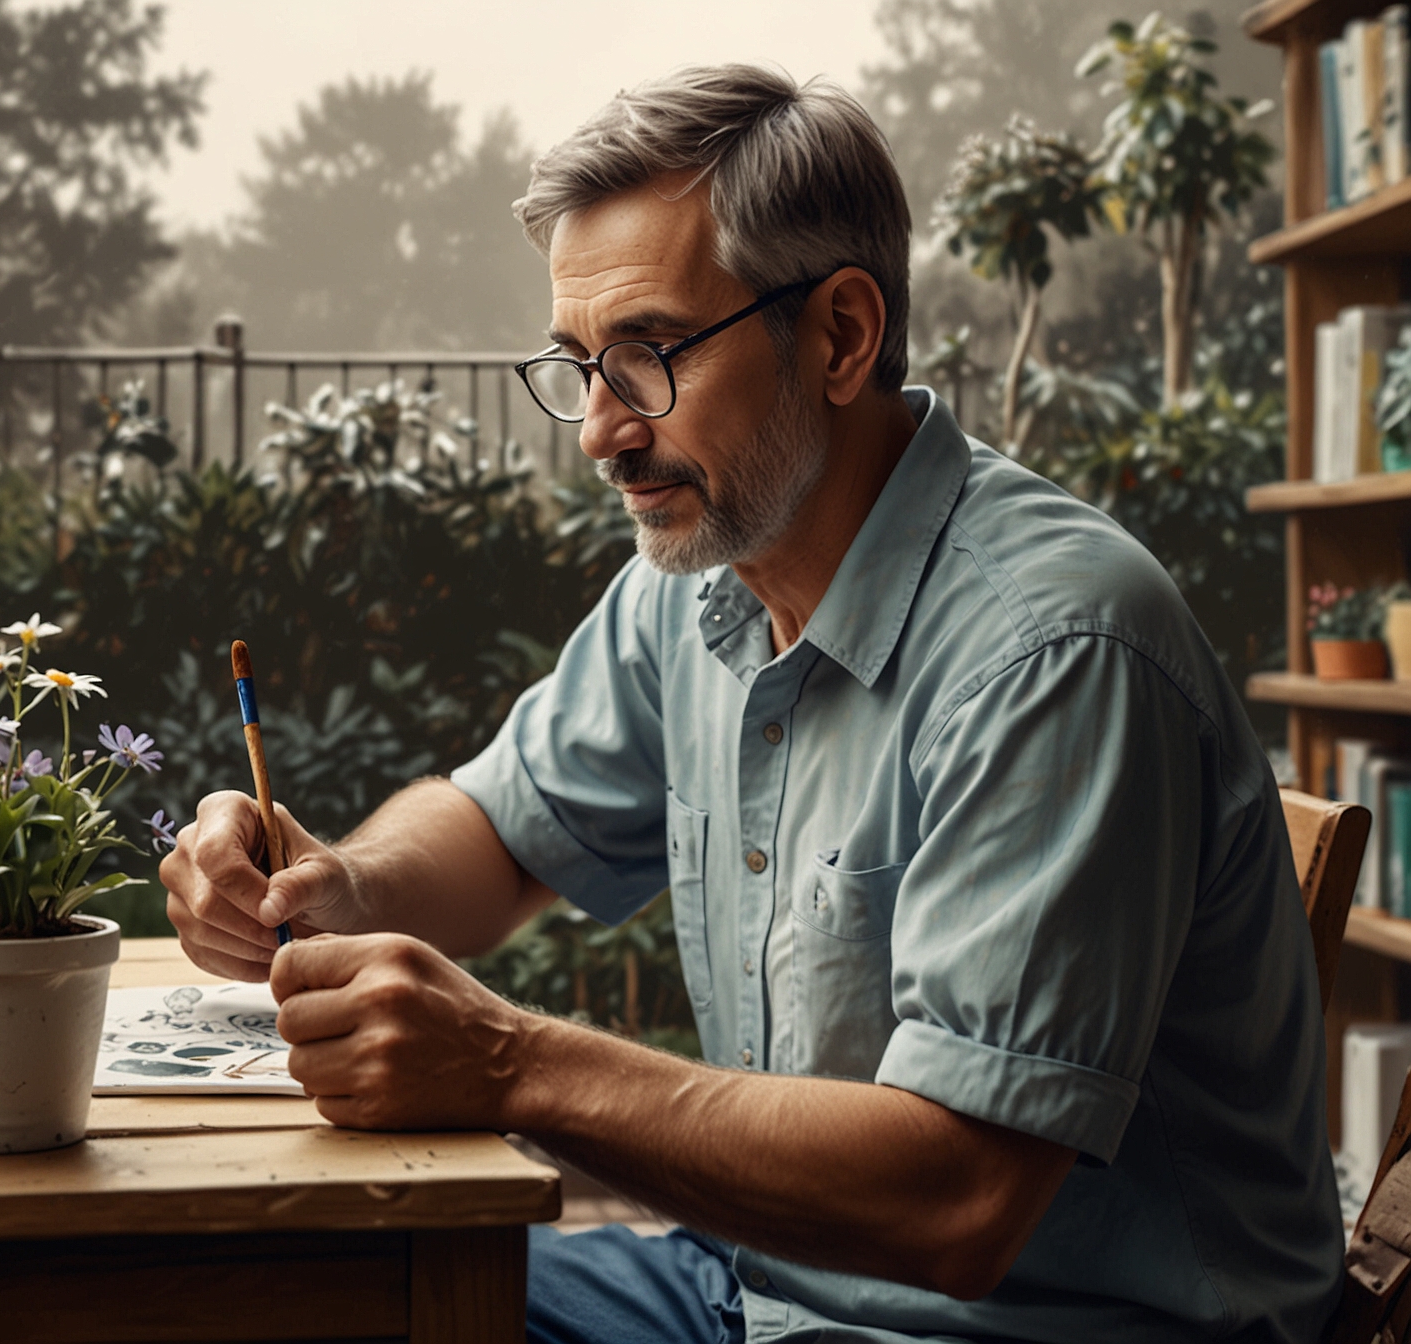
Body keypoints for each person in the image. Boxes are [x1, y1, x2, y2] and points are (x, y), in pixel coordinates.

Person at [160, 65, 1342, 1344]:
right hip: (762, 1289)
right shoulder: (702, 573)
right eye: (579, 366)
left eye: (651, 356)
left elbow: (962, 1199)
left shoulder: (1055, 649)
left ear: (839, 334)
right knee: (287, 1297)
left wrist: (509, 1063)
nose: (600, 432)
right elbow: (503, 829)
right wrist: (338, 883)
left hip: (1042, 1330)